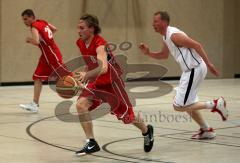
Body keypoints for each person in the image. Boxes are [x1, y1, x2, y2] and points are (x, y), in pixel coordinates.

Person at [139, 11, 228, 139]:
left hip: (194, 69)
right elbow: (163, 55)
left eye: (156, 21)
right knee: (188, 103)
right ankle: (206, 129)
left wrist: (209, 64)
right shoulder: (165, 37)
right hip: (189, 71)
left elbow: (197, 45)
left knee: (179, 105)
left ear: (164, 22)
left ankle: (215, 104)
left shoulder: (174, 35)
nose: (153, 24)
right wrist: (148, 53)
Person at [74, 14, 154, 155]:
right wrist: (85, 74)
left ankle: (147, 131)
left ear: (91, 29)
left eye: (82, 28)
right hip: (97, 83)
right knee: (81, 105)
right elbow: (92, 63)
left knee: (127, 117)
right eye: (78, 27)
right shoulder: (80, 43)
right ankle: (91, 142)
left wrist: (86, 75)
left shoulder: (100, 45)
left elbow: (103, 67)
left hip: (112, 82)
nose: (78, 30)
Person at [20, 9, 70, 112]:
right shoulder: (42, 22)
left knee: (67, 77)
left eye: (25, 19)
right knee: (37, 77)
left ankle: (90, 92)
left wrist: (29, 39)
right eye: (23, 20)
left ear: (31, 17)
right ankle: (35, 104)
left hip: (52, 55)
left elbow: (36, 41)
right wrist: (46, 38)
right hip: (46, 56)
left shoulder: (34, 26)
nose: (24, 22)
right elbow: (55, 29)